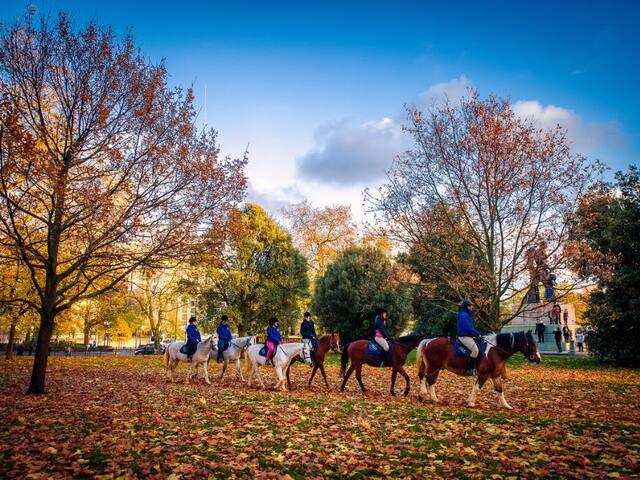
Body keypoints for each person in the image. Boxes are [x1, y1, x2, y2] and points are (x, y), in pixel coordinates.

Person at [457, 299, 481, 375]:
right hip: (464, 337)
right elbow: (468, 328)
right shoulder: (464, 315)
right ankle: (469, 369)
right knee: (475, 350)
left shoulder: (466, 314)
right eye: (471, 306)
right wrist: (477, 334)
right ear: (467, 306)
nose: (472, 307)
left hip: (469, 336)